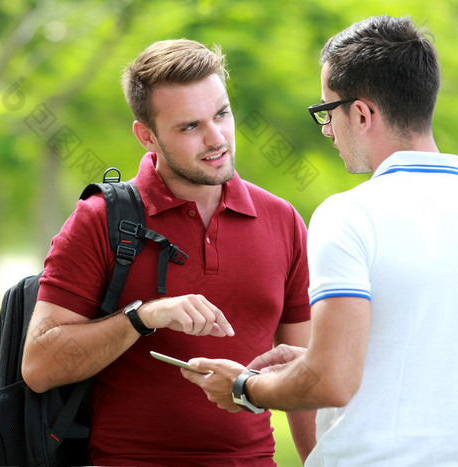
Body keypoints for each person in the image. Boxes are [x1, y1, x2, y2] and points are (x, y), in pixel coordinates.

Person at [182, 15, 458, 466]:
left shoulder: (349, 215)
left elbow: (332, 381)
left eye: (326, 112)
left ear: (360, 112)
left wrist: (243, 387)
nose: (328, 129)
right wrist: (321, 354)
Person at [21, 39, 316, 466]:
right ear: (147, 136)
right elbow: (40, 364)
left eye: (222, 114)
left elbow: (302, 376)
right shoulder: (100, 220)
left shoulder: (283, 221)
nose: (216, 139)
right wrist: (143, 317)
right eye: (189, 126)